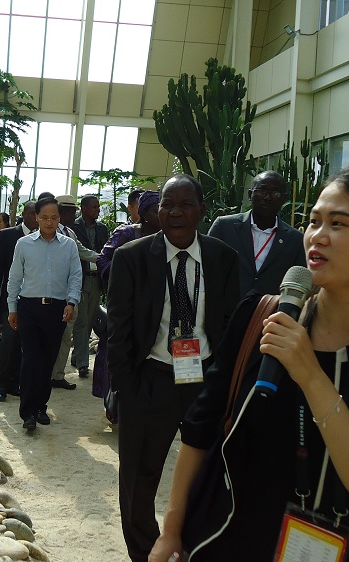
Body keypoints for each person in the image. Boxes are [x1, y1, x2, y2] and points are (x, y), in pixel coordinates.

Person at [149, 166, 349, 562]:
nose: (317, 236)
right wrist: (171, 530)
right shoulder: (261, 319)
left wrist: (311, 375)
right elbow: (199, 431)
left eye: (338, 224)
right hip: (229, 541)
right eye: (314, 221)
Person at [107, 174, 240, 562]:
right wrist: (128, 388)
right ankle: (147, 553)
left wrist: (224, 383)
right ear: (155, 211)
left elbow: (230, 323)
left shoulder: (222, 258)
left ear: (201, 210)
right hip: (151, 379)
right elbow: (118, 330)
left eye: (185, 205)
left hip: (204, 379)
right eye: (167, 204)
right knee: (138, 477)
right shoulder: (132, 257)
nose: (175, 212)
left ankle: (193, 547)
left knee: (207, 473)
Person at [6, 197, 82, 431]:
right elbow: (14, 278)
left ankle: (41, 406)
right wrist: (12, 307)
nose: (50, 222)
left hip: (57, 309)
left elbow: (75, 276)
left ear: (60, 219)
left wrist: (71, 302)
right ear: (36, 217)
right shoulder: (24, 244)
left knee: (48, 359)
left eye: (54, 218)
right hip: (29, 307)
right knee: (30, 358)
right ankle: (27, 412)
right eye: (45, 217)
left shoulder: (68, 245)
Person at [91, 190, 161, 403]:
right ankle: (113, 400)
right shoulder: (127, 233)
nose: (161, 213)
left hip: (155, 308)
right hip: (126, 305)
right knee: (119, 351)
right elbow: (103, 260)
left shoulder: (170, 238)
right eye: (155, 210)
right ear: (144, 213)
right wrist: (126, 275)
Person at [208, 170, 306, 299]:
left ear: (283, 199)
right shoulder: (224, 227)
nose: (268, 198)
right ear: (250, 194)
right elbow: (206, 268)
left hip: (269, 310)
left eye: (275, 193)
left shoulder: (296, 240)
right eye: (262, 191)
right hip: (227, 309)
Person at [0, 201, 38, 397]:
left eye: (37, 213)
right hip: (10, 298)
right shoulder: (7, 235)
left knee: (24, 342)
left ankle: (15, 382)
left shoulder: (42, 237)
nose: (35, 217)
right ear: (23, 214)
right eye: (32, 213)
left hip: (32, 298)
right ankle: (2, 383)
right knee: (9, 339)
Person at [50, 194, 99, 390]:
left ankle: (57, 375)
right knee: (50, 337)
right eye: (70, 212)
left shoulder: (69, 233)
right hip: (52, 295)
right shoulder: (47, 232)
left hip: (70, 295)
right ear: (62, 212)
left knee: (65, 337)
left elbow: (83, 252)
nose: (73, 215)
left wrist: (106, 258)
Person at [71, 195, 109, 379]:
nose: (98, 209)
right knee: (82, 320)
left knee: (90, 318)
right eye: (94, 206)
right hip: (80, 277)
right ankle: (83, 364)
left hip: (96, 279)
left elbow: (107, 252)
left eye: (98, 206)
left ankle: (77, 355)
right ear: (84, 208)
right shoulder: (74, 228)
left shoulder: (102, 229)